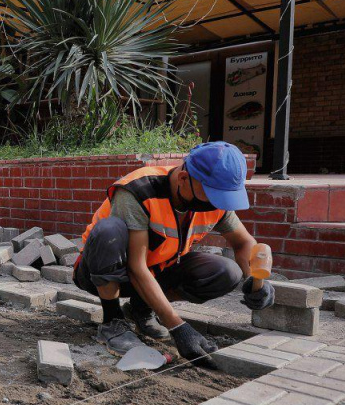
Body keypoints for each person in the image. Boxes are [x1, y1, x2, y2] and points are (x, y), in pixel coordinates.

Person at [74, 141, 275, 361]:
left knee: (227, 272)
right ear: (183, 179)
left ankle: (141, 309)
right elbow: (136, 266)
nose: (218, 203)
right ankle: (112, 321)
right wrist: (177, 326)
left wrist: (255, 279)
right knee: (108, 230)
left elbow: (244, 243)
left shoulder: (215, 204)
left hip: (155, 272)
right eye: (213, 194)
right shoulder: (138, 191)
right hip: (105, 272)